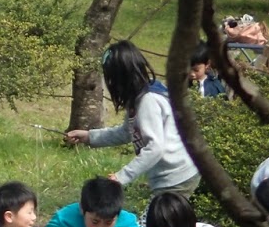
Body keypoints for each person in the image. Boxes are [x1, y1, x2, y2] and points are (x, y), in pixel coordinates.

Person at [65, 40, 200, 198]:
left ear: (121, 76)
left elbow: (155, 148)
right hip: (170, 177)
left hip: (177, 177)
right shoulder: (137, 97)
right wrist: (89, 136)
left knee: (155, 222)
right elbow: (126, 132)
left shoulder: (148, 101)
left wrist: (122, 177)